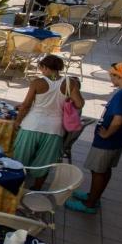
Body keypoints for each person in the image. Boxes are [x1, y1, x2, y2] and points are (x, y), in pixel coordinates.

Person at [67, 62, 122, 213]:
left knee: (98, 171)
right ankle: (94, 196)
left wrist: (107, 133)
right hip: (120, 138)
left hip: (108, 141)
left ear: (117, 76)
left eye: (111, 75)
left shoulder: (121, 96)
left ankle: (90, 204)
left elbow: (117, 120)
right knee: (105, 170)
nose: (110, 78)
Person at [12, 54, 84, 190]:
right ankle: (37, 188)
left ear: (45, 67)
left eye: (42, 68)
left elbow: (26, 105)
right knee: (45, 161)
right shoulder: (70, 83)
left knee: (21, 158)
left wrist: (17, 121)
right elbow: (79, 104)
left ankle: (15, 185)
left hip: (32, 125)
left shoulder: (37, 82)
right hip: (55, 129)